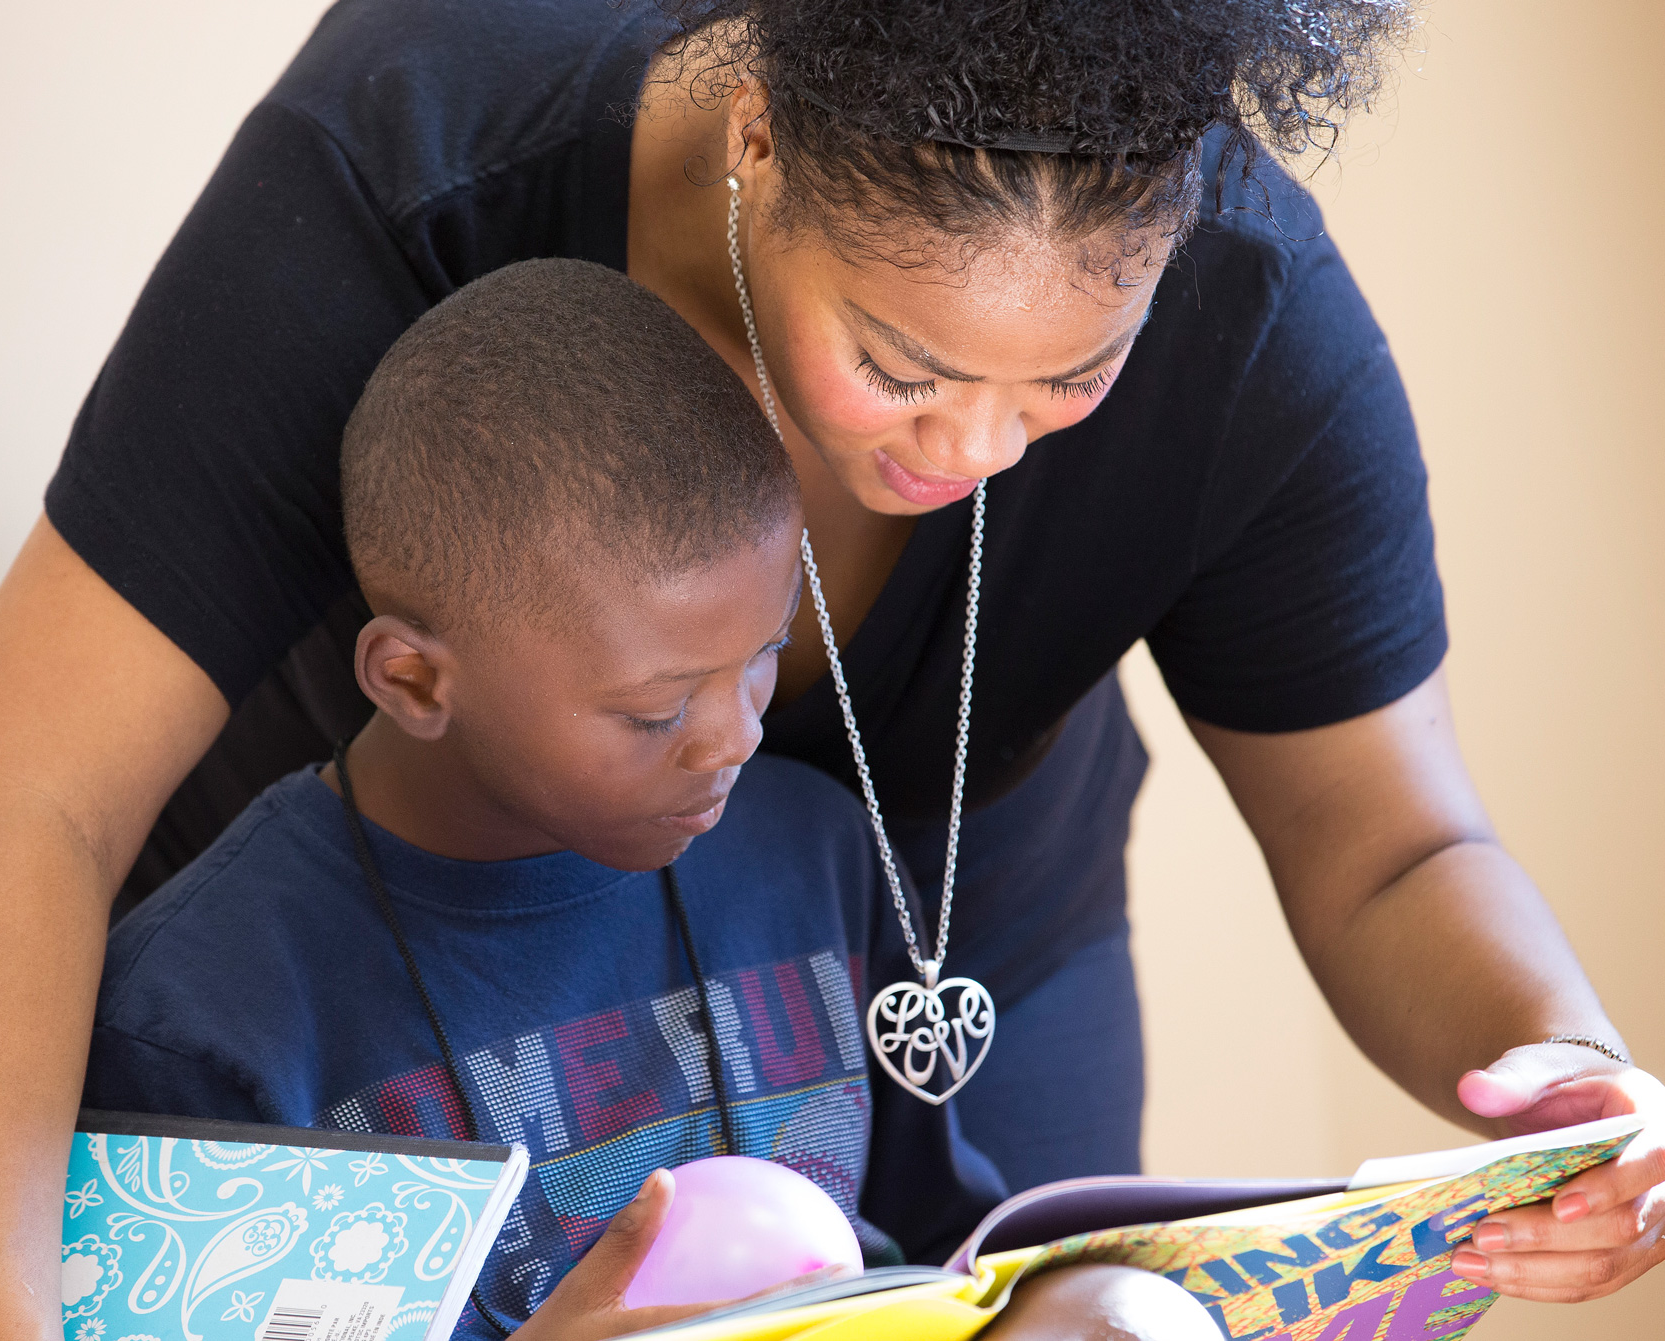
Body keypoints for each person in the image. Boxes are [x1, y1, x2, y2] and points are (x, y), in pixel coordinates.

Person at [0, 0, 1665, 1334]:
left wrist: (1571, 1075)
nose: (980, 449)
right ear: (753, 136)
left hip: (902, 973)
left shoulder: (1256, 321)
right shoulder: (420, 146)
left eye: (1070, 379)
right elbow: (19, 805)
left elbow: (1388, 845)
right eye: (904, 366)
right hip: (396, 996)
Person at [85, 256, 1218, 1341]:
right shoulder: (200, 1020)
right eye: (653, 710)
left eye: (767, 654)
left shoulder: (810, 852)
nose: (735, 737)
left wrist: (1079, 1311)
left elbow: (935, 1253)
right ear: (417, 680)